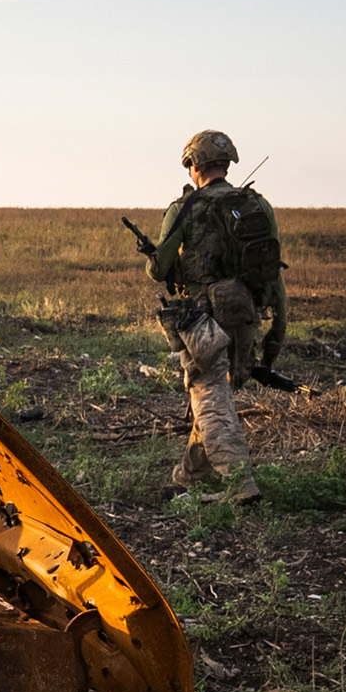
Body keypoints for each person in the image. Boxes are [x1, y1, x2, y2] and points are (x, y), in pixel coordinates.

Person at [146, 130, 288, 504]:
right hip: (245, 312)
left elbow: (159, 271)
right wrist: (279, 327)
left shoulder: (186, 208)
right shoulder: (257, 205)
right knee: (215, 398)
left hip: (202, 317)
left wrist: (155, 260)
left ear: (194, 164)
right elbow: (273, 271)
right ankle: (187, 477)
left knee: (209, 397)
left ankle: (241, 484)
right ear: (227, 163)